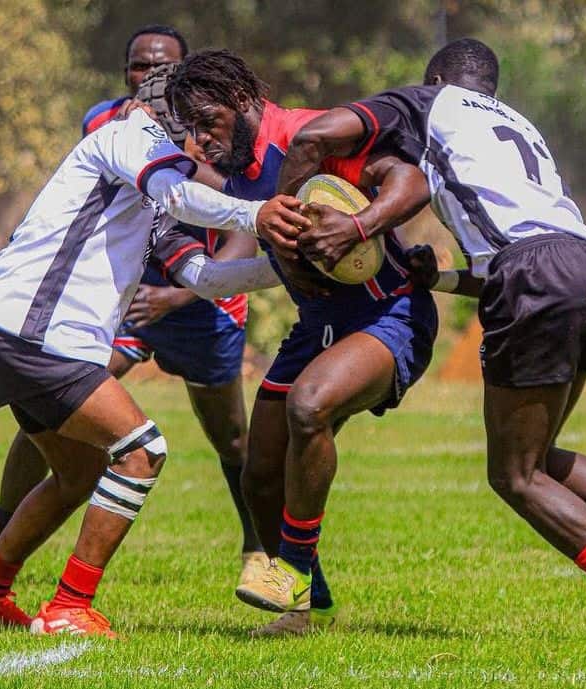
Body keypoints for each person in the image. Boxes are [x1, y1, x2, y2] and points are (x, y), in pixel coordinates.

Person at [273, 38, 586, 646]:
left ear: (435, 78)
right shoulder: (519, 126)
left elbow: (316, 136)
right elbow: (520, 249)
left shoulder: (427, 100)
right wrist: (443, 279)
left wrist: (294, 222)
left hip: (535, 275)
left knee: (515, 475)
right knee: (540, 457)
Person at [0, 101, 309, 637]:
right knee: (142, 452)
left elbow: (205, 278)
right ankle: (70, 606)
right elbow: (183, 194)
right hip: (35, 333)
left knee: (79, 472)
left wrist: (287, 263)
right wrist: (256, 214)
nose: (208, 148)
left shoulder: (154, 194)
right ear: (171, 121)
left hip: (6, 330)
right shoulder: (130, 137)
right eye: (202, 131)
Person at [170, 49, 439, 636]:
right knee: (259, 474)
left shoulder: (306, 136)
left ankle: (289, 571)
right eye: (189, 129)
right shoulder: (240, 171)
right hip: (317, 323)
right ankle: (303, 608)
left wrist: (360, 224)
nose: (200, 140)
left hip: (389, 312)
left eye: (207, 121)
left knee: (309, 405)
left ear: (242, 101)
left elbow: (411, 180)